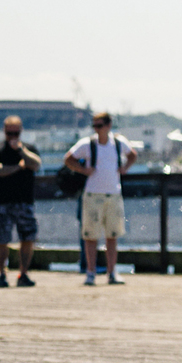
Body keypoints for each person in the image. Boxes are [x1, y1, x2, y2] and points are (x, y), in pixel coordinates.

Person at [63, 113, 139, 286]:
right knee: (90, 236)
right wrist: (83, 170)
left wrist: (125, 167)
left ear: (108, 125)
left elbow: (133, 154)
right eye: (94, 126)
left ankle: (112, 272)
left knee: (112, 235)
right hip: (92, 194)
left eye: (100, 125)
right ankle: (90, 272)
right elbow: (68, 158)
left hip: (113, 194)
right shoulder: (87, 143)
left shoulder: (119, 143)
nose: (97, 129)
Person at [0, 117, 41, 289]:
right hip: (3, 202)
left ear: (21, 131)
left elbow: (36, 164)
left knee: (27, 237)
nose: (13, 136)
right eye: (10, 133)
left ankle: (23, 273)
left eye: (16, 132)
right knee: (2, 239)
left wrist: (21, 151)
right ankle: (2, 274)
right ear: (4, 131)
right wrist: (17, 167)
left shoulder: (29, 149)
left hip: (24, 202)